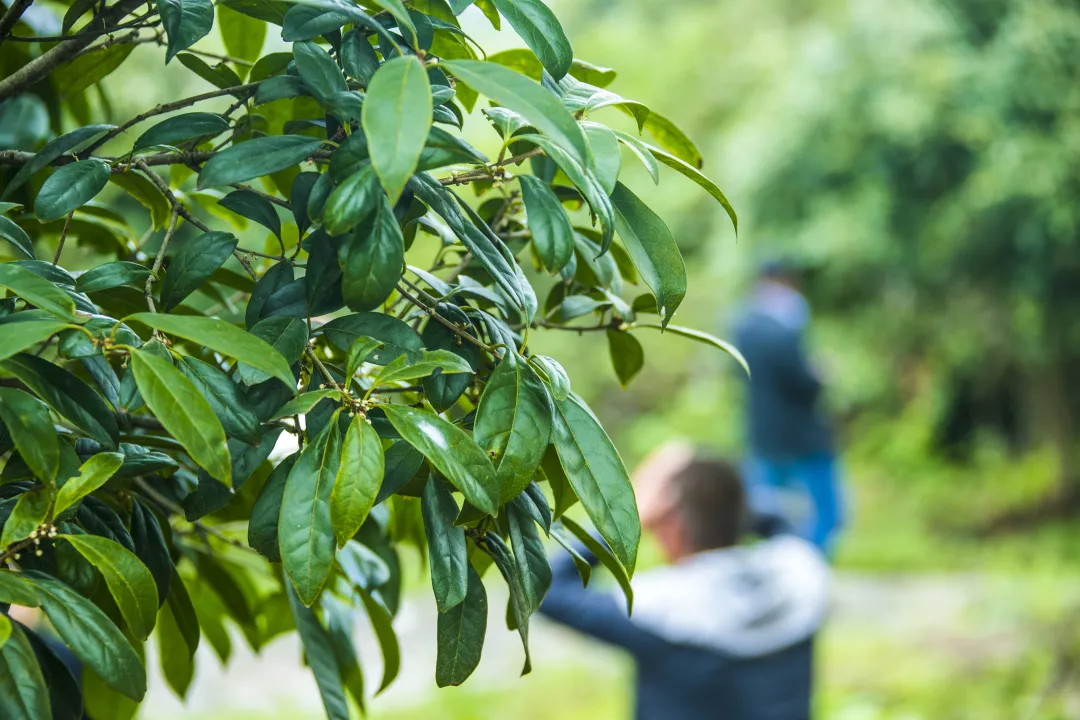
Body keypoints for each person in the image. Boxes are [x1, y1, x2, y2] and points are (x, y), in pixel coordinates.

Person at [540, 442, 830, 720]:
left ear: (670, 524)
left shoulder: (658, 609)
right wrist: (721, 496)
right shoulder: (799, 576)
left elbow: (546, 586)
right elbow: (777, 521)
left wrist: (624, 515)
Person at [734, 261, 844, 554]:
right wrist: (820, 375)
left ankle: (775, 564)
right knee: (827, 509)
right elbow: (801, 382)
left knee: (762, 511)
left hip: (763, 433)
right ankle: (810, 561)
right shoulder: (786, 326)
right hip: (802, 434)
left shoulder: (743, 326)